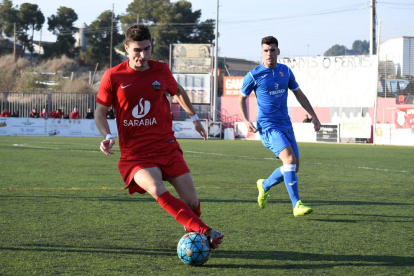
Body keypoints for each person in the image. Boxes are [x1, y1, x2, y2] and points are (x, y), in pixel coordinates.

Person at [94, 24, 224, 249]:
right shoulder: (113, 76)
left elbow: (178, 91)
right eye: (137, 50)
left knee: (192, 201)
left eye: (147, 49)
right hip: (136, 154)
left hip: (166, 146)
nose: (142, 56)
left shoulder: (161, 70)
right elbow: (100, 112)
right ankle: (206, 231)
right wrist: (107, 134)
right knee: (156, 189)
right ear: (126, 48)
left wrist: (194, 118)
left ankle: (194, 227)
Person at [238, 36, 321, 217]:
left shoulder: (285, 71)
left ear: (278, 51)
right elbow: (241, 98)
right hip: (268, 126)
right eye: (266, 51)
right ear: (262, 53)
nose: (269, 54)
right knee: (289, 161)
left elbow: (299, 94)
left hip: (286, 124)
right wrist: (245, 120)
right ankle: (296, 204)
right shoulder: (253, 75)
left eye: (273, 50)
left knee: (293, 167)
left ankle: (265, 184)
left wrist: (313, 116)